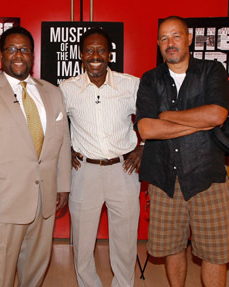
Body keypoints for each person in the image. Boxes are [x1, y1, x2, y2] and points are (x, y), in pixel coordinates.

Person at [0, 26, 71, 286]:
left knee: (35, 273)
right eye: (11, 49)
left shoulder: (53, 92)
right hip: (1, 206)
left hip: (45, 202)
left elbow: (63, 142)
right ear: (1, 54)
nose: (18, 55)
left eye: (24, 49)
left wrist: (63, 185)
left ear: (32, 54)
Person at [135, 16, 229, 287]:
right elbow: (146, 129)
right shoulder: (150, 79)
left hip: (207, 178)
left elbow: (217, 114)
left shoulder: (212, 70)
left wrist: (167, 116)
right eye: (164, 38)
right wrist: (198, 124)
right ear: (158, 44)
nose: (170, 43)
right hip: (165, 180)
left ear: (189, 38)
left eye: (176, 36)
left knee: (214, 253)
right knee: (172, 248)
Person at [59, 27, 143, 287]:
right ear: (81, 55)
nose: (95, 55)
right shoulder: (67, 88)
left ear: (110, 54)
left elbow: (151, 119)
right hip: (84, 172)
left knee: (126, 241)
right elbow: (56, 127)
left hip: (124, 171)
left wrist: (144, 147)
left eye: (101, 50)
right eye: (89, 50)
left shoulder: (131, 84)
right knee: (83, 243)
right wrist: (66, 149)